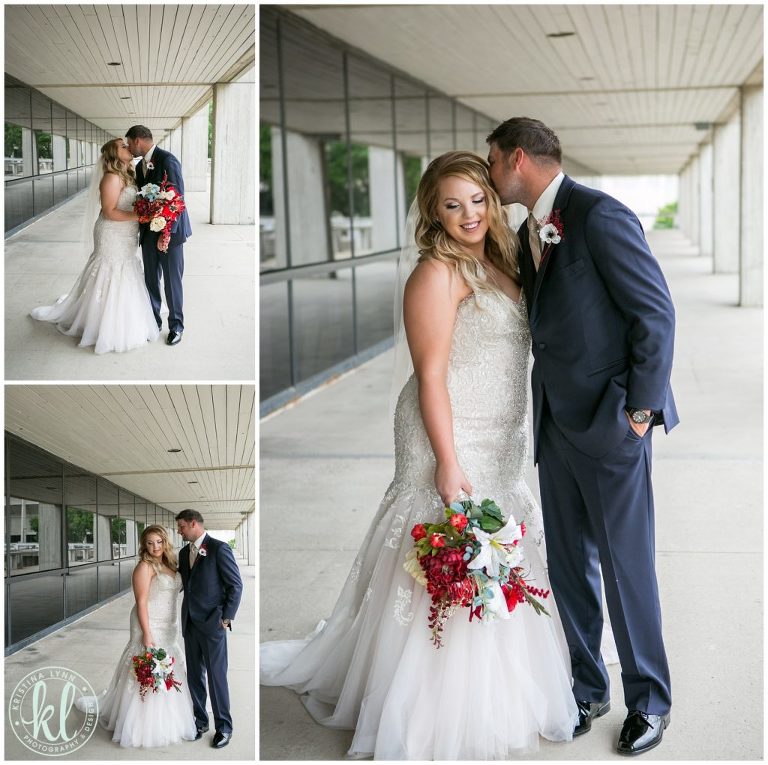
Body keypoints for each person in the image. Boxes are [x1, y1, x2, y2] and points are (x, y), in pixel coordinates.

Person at [261, 151, 579, 759]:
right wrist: (447, 459)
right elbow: (430, 376)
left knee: (498, 553)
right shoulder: (436, 273)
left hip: (501, 432)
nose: (469, 214)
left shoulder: (502, 258)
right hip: (446, 431)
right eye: (453, 204)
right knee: (442, 556)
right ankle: (432, 705)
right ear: (433, 210)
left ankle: (501, 688)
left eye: (479, 200)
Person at [486, 117, 677, 757]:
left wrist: (639, 413)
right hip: (555, 424)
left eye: (493, 163)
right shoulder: (527, 228)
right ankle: (587, 686)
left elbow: (654, 312)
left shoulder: (598, 215)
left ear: (517, 158)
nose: (491, 175)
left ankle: (649, 702)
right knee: (569, 564)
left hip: (611, 422)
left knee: (627, 568)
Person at [29, 138, 159, 354]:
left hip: (127, 232)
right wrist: (141, 215)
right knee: (109, 271)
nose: (127, 146)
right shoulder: (111, 178)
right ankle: (102, 325)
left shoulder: (130, 174)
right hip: (111, 233)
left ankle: (123, 318)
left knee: (125, 269)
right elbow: (109, 211)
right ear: (113, 154)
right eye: (122, 146)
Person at [75, 525, 196, 747]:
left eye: (159, 542)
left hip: (169, 623)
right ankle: (142, 724)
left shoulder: (170, 564)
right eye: (150, 543)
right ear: (144, 545)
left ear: (165, 542)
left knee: (169, 665)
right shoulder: (144, 567)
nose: (155, 547)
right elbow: (140, 602)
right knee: (147, 666)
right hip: (147, 623)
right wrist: (147, 634)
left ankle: (170, 715)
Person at [175, 510, 243, 749]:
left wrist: (225, 618)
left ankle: (224, 727)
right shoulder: (183, 553)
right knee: (195, 675)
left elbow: (235, 585)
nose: (179, 531)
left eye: (181, 526)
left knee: (216, 677)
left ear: (193, 524)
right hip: (190, 623)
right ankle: (200, 721)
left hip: (213, 624)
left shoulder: (218, 548)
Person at [126, 125, 192, 346]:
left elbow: (176, 201)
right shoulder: (139, 167)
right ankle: (154, 321)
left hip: (169, 235)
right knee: (151, 280)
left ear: (137, 141)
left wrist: (167, 235)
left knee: (172, 283)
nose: (128, 147)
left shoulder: (168, 160)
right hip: (148, 233)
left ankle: (176, 326)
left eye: (129, 143)